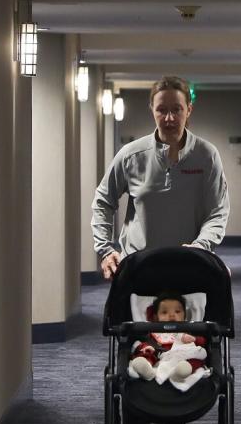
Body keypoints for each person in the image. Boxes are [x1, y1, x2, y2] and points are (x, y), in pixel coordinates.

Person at [91, 75, 230, 280]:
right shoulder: (131, 155)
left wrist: (201, 246)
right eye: (162, 110)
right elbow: (103, 201)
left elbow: (218, 211)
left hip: (189, 264)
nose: (169, 118)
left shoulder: (206, 155)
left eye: (176, 109)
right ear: (152, 110)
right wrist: (105, 249)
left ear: (188, 110)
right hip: (138, 265)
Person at [128, 293, 208, 387]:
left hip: (181, 357)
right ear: (156, 317)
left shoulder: (187, 330)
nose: (171, 315)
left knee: (196, 356)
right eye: (164, 312)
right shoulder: (154, 331)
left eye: (177, 311)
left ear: (185, 316)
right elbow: (145, 341)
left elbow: (202, 342)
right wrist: (147, 347)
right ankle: (147, 369)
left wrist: (194, 339)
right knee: (145, 349)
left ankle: (180, 374)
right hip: (158, 353)